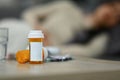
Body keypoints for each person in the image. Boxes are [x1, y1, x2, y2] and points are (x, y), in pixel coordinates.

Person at [22, 0, 120, 59]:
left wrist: (50, 48)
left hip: (42, 53)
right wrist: (37, 28)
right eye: (112, 7)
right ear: (103, 4)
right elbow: (29, 13)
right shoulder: (67, 7)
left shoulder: (101, 39)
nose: (111, 13)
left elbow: (86, 53)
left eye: (117, 16)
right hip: (26, 31)